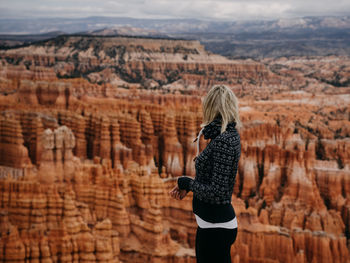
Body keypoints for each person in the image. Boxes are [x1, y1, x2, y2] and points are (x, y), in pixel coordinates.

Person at [169, 84, 242, 263]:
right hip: (212, 225)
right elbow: (214, 181)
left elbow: (217, 193)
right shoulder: (225, 135)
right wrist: (191, 186)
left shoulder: (223, 141)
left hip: (216, 229)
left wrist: (187, 183)